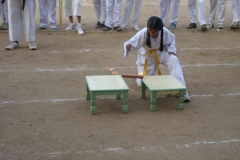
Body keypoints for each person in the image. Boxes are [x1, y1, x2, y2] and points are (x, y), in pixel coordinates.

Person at [124, 16, 190, 102]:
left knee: (174, 59)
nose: (151, 33)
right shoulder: (143, 33)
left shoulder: (165, 32)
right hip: (148, 55)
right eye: (149, 30)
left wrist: (171, 50)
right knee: (142, 83)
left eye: (154, 32)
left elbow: (172, 39)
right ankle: (140, 76)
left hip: (161, 52)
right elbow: (131, 42)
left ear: (160, 29)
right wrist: (128, 47)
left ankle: (182, 90)